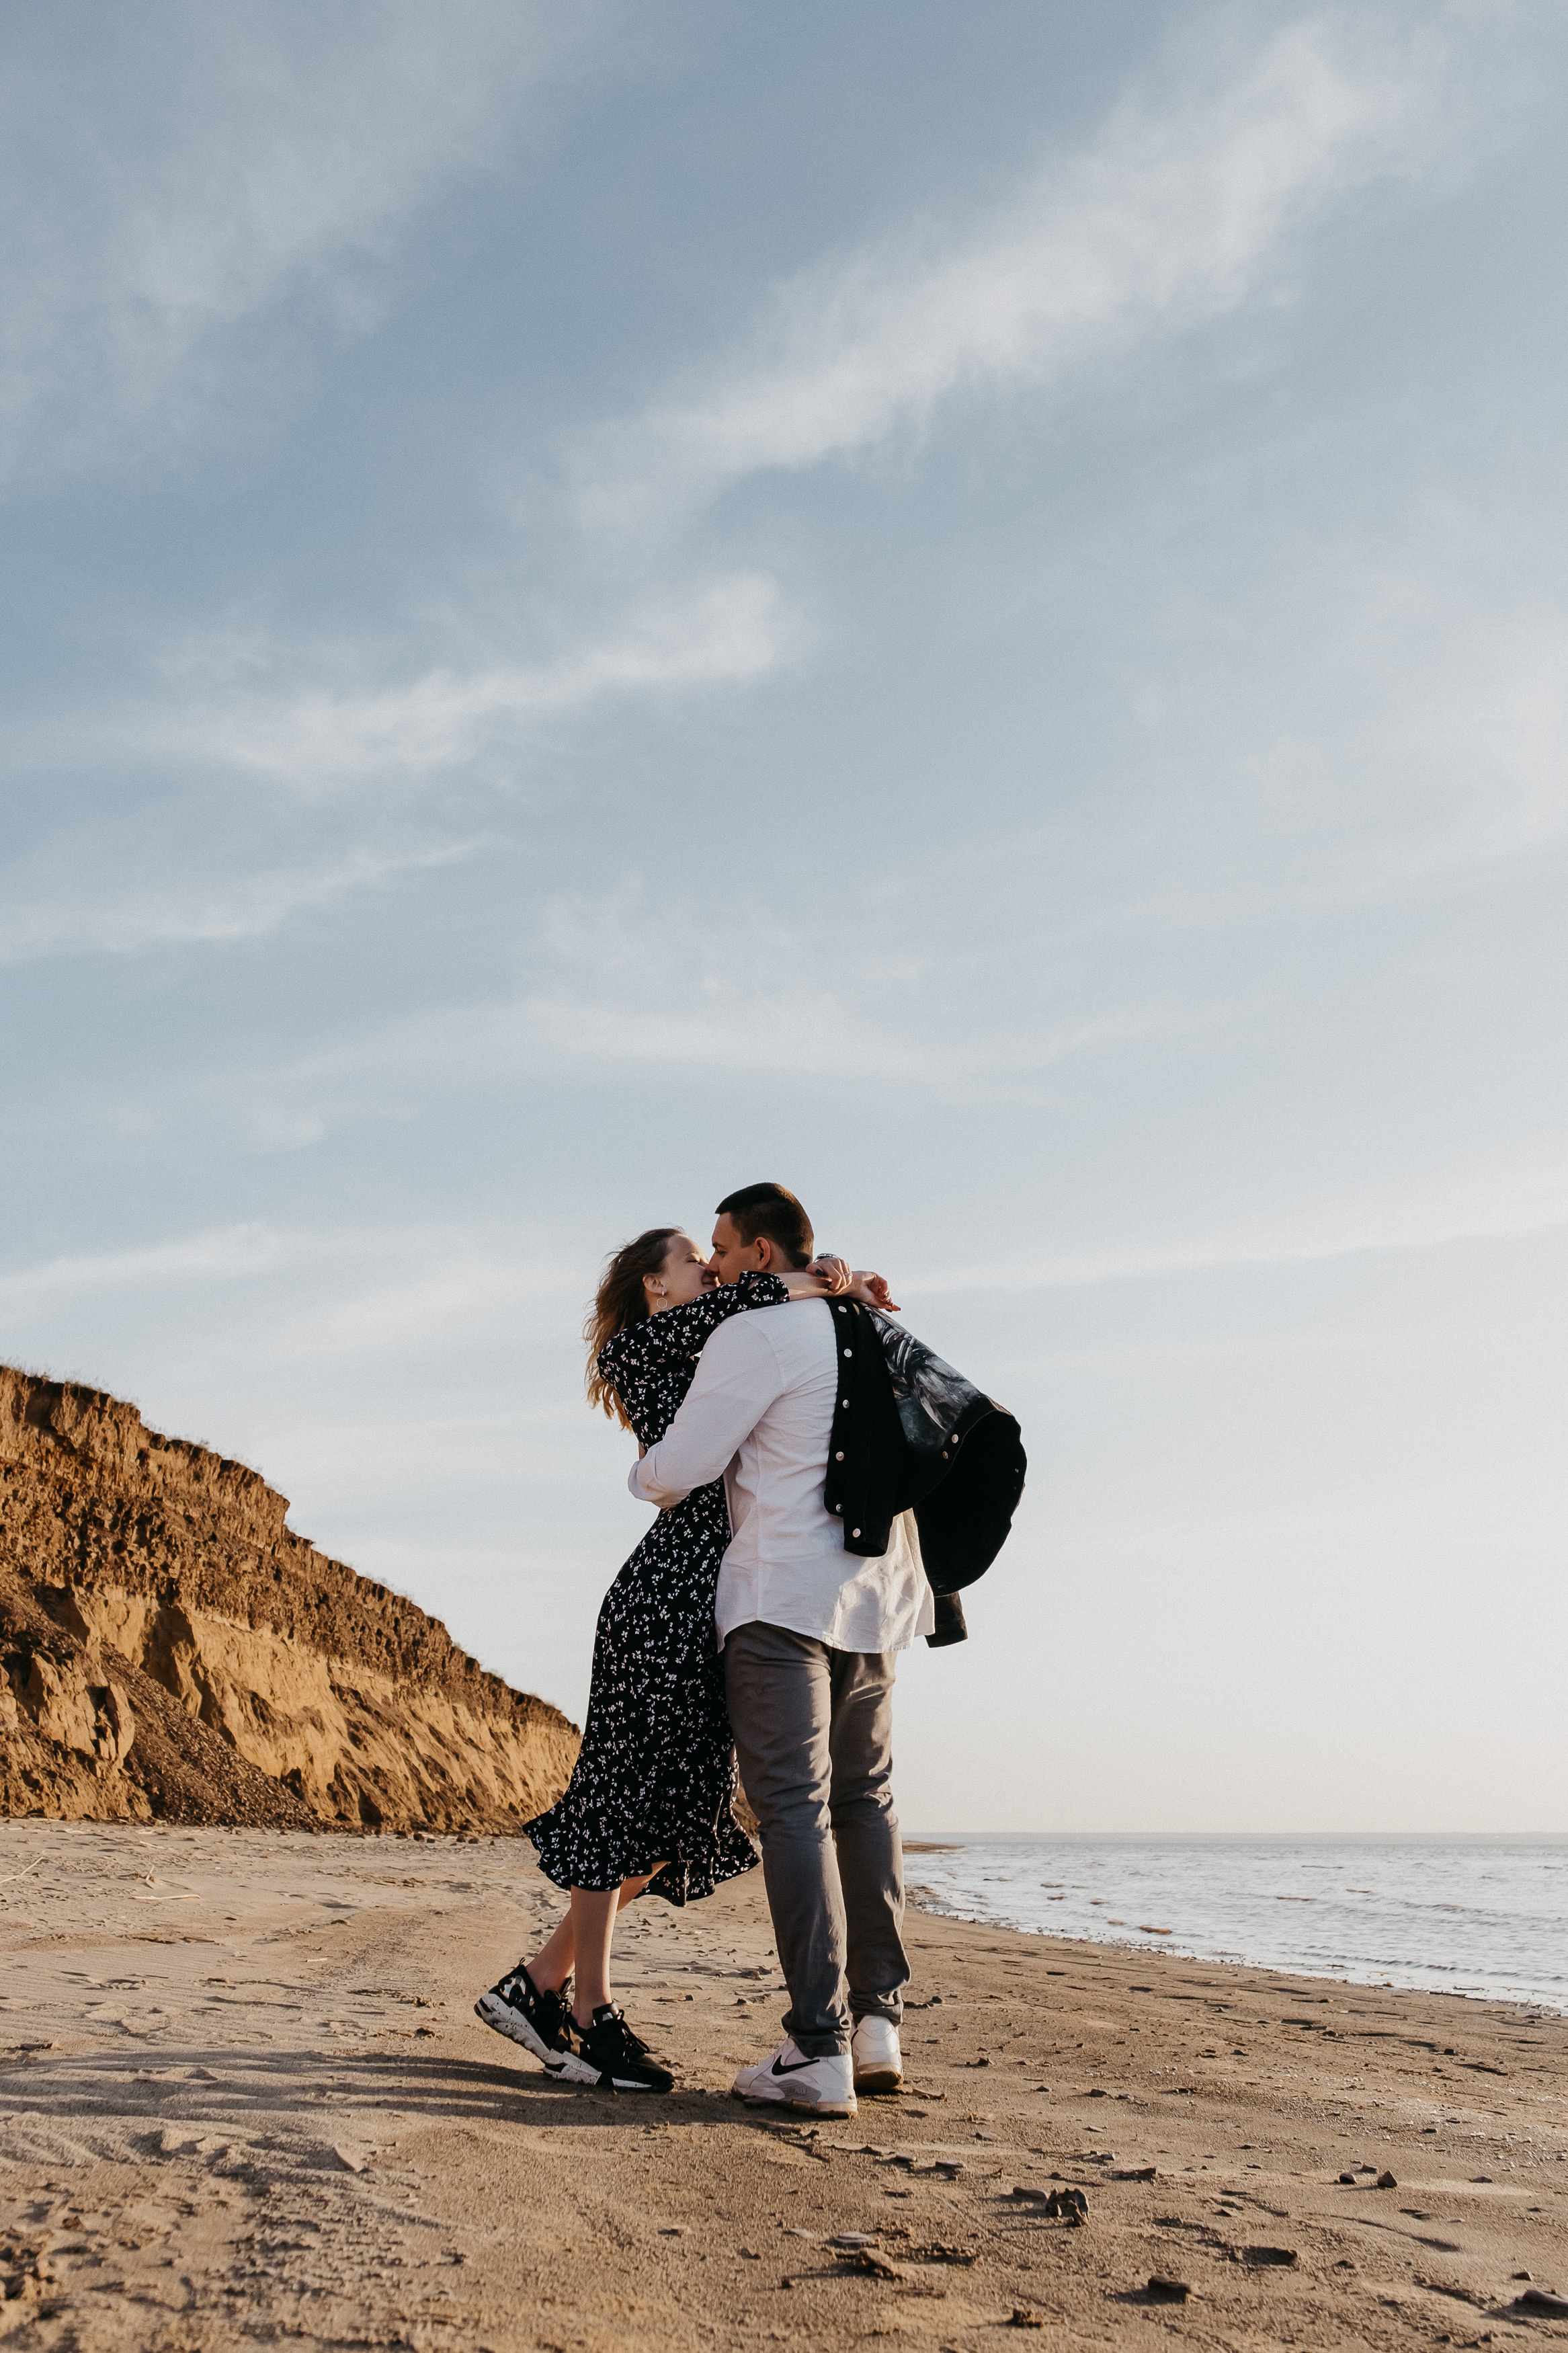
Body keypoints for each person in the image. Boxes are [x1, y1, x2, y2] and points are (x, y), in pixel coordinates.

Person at [475, 1223, 889, 2093]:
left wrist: (831, 1289)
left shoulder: (715, 1344)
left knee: (674, 1826)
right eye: (689, 1263)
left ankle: (534, 1987)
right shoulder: (641, 1344)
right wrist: (818, 1279)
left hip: (717, 1602)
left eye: (714, 1259)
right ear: (653, 1287)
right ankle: (587, 2013)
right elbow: (752, 1298)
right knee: (623, 1806)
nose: (708, 1270)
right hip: (663, 1600)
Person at [630, 1182, 930, 2118]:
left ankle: (815, 2048)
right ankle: (877, 2022)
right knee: (864, 1799)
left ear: (758, 1255)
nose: (711, 1265)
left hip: (779, 1598)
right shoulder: (869, 1327)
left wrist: (643, 1469)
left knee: (792, 1809)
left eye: (719, 1249)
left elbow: (675, 1472)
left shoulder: (753, 1334)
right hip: (875, 1597)